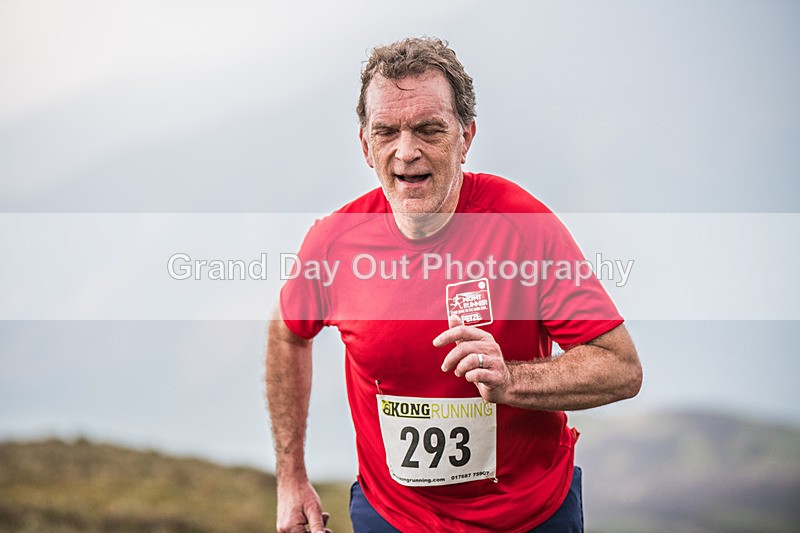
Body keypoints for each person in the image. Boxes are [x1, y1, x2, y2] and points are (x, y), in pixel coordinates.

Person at [266, 37, 642, 533]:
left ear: (465, 137)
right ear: (364, 145)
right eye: (386, 132)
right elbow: (288, 331)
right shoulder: (335, 243)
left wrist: (511, 379)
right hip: (392, 516)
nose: (406, 152)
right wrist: (291, 479)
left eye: (429, 130)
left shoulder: (523, 227)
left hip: (530, 517)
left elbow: (621, 368)